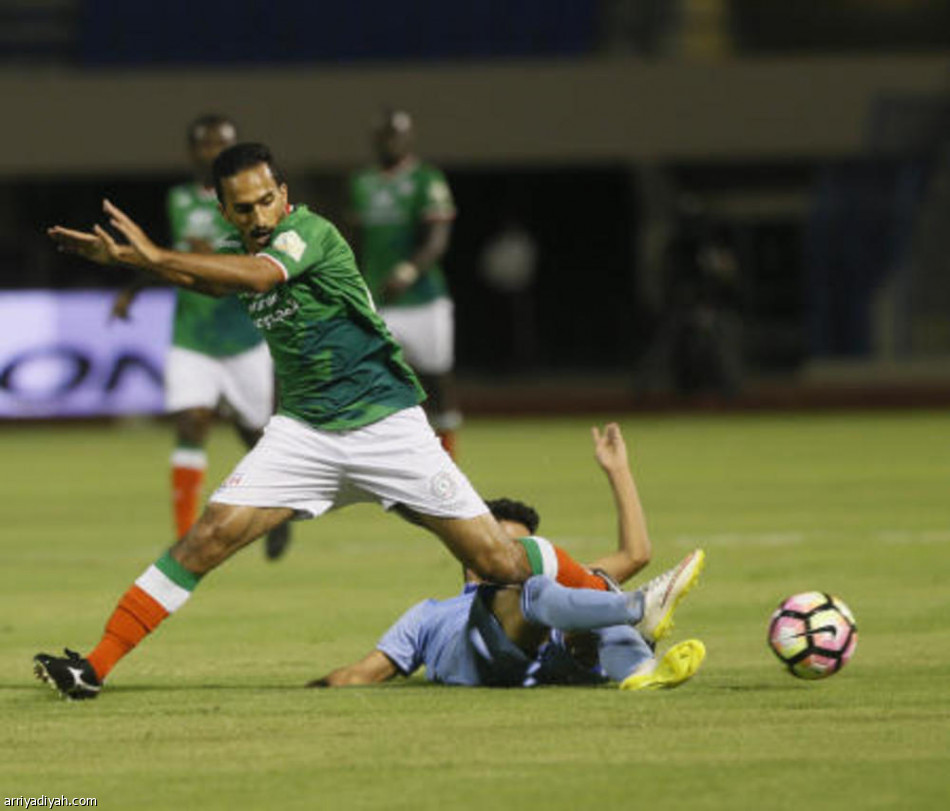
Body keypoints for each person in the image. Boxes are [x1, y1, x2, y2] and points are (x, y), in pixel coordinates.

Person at [37, 142, 613, 701]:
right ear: (225, 212)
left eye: (266, 200)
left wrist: (155, 255)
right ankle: (95, 666)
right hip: (305, 435)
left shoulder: (307, 232)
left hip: (385, 424)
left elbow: (259, 277)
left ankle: (608, 599)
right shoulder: (238, 247)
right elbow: (211, 280)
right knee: (207, 537)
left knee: (499, 562)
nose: (258, 215)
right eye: (243, 208)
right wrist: (128, 260)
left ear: (282, 192)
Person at [311, 424, 706, 690]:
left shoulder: (557, 592)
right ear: (472, 555)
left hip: (544, 665)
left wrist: (618, 470)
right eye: (507, 551)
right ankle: (637, 609)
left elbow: (636, 553)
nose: (512, 562)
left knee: (595, 589)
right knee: (565, 588)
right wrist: (319, 688)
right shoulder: (429, 614)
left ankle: (641, 672)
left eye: (518, 552)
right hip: (485, 655)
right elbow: (365, 672)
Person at [111, 114, 291, 560]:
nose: (213, 151)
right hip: (192, 334)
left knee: (256, 433)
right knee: (192, 423)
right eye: (206, 144)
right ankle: (185, 533)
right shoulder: (178, 199)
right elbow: (170, 257)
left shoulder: (250, 201)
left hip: (245, 333)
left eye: (222, 143)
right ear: (192, 151)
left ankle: (277, 511)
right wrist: (133, 289)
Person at [349, 109, 462, 456]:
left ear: (409, 137)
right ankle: (386, 458)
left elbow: (437, 239)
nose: (390, 141)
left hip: (424, 299)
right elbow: (353, 241)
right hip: (378, 299)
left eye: (397, 134)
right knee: (371, 381)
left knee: (437, 381)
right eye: (384, 135)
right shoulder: (362, 182)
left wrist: (409, 271)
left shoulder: (427, 179)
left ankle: (448, 459)